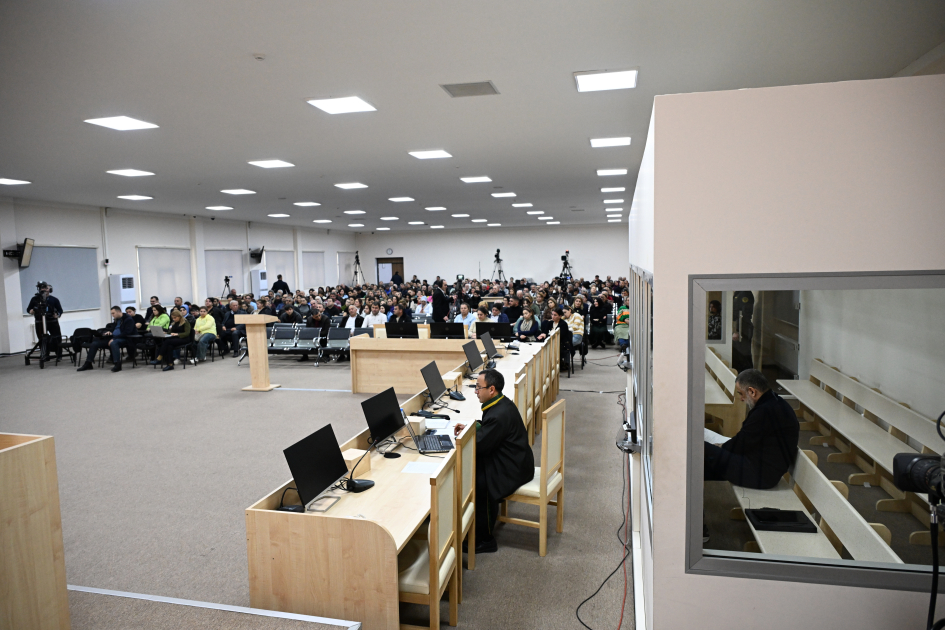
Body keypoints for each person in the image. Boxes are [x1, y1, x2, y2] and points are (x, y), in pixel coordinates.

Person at [452, 369, 534, 554]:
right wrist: (473, 428)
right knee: (477, 471)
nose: (475, 391)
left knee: (481, 482)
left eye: (478, 387)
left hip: (514, 469)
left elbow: (481, 446)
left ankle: (485, 539)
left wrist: (465, 438)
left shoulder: (498, 414)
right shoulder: (500, 404)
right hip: (517, 460)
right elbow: (490, 432)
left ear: (491, 389)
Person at [705, 369, 798, 491]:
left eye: (740, 393)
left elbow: (740, 444)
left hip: (760, 475)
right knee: (706, 461)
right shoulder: (775, 402)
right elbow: (746, 440)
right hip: (763, 468)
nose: (741, 399)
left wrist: (719, 448)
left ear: (752, 391)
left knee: (701, 448)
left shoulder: (764, 412)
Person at [77, 306, 136, 372]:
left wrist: (114, 338)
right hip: (114, 337)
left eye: (113, 313)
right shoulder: (116, 319)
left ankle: (117, 364)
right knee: (94, 344)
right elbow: (114, 329)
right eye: (111, 313)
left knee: (114, 343)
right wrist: (110, 332)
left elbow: (127, 332)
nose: (112, 315)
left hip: (125, 339)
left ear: (119, 312)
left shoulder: (128, 319)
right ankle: (88, 363)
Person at [26, 281, 63, 362]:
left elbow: (60, 310)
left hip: (52, 321)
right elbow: (28, 309)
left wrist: (57, 315)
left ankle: (59, 355)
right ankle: (45, 354)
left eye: (46, 288)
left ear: (50, 289)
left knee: (57, 338)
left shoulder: (54, 300)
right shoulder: (35, 299)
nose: (44, 290)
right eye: (42, 288)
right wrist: (31, 311)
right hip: (40, 322)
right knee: (42, 339)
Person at [731, 291, 754, 371]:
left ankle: (747, 376)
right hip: (740, 327)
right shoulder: (738, 293)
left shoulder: (745, 293)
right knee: (738, 355)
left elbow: (743, 314)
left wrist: (737, 330)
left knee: (743, 354)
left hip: (743, 328)